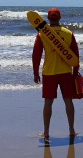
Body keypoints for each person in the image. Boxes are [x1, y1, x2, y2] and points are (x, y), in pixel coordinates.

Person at [32, 8, 80, 139]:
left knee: (48, 102)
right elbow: (75, 54)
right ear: (59, 18)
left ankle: (46, 132)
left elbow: (36, 55)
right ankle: (71, 130)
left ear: (48, 18)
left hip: (49, 72)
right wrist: (75, 71)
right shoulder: (68, 33)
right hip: (65, 72)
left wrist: (35, 72)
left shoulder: (42, 34)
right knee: (68, 100)